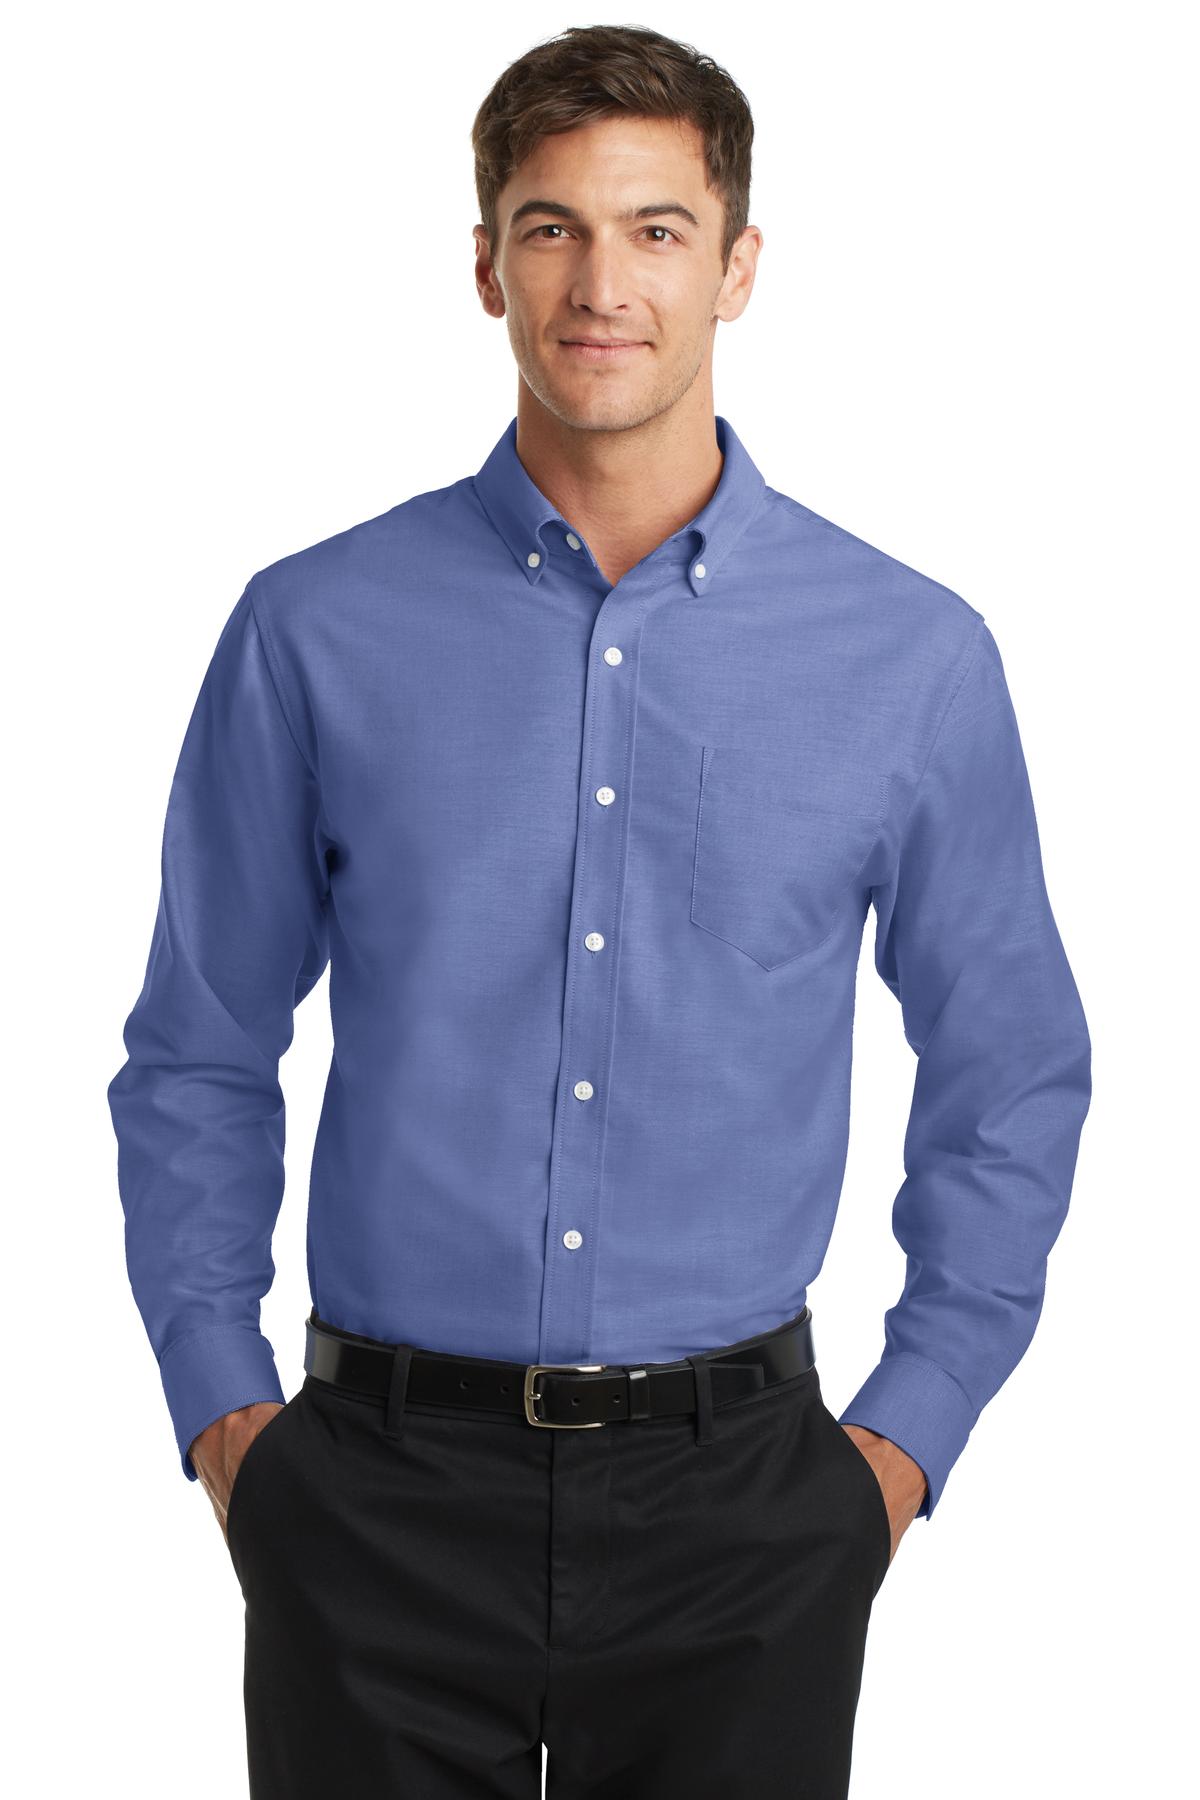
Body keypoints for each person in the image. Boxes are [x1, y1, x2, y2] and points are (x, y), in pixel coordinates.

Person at [107, 22, 1092, 1799]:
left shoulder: (914, 657)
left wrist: (899, 1446)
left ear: (738, 266)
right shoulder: (312, 628)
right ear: (486, 265)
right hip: (373, 1502)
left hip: (750, 1516)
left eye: (656, 229)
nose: (601, 283)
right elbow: (198, 1048)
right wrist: (224, 1413)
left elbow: (1011, 1068)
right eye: (551, 227)